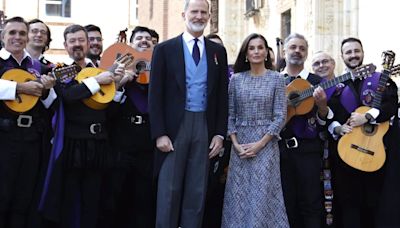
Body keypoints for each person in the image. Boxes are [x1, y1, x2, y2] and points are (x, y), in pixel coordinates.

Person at [148, 0, 229, 227]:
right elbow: (155, 95)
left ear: (209, 16)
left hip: (204, 125)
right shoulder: (164, 49)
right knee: (169, 190)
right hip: (175, 127)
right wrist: (160, 133)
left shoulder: (218, 52)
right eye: (194, 11)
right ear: (184, 14)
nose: (199, 16)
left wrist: (219, 134)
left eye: (204, 12)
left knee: (197, 190)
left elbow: (222, 96)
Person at [39, 24, 125, 228]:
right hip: (73, 145)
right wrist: (97, 81)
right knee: (70, 201)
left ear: (87, 43)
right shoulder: (60, 70)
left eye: (81, 40)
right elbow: (68, 97)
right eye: (72, 41)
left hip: (99, 145)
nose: (77, 45)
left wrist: (117, 89)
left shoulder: (100, 69)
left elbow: (108, 113)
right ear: (65, 45)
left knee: (94, 202)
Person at [328, 37, 399, 228]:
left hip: (375, 152)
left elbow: (391, 104)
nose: (353, 55)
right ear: (342, 56)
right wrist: (336, 126)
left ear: (363, 53)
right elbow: (328, 113)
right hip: (345, 151)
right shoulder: (335, 85)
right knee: (347, 203)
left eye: (356, 51)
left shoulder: (379, 80)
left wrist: (366, 117)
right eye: (348, 52)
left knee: (373, 203)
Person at [221, 33, 289, 227]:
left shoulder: (277, 78)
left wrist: (260, 144)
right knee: (239, 195)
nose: (256, 51)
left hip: (266, 144)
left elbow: (280, 116)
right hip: (240, 146)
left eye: (260, 47)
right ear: (246, 53)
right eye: (252, 48)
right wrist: (235, 144)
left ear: (267, 53)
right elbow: (230, 114)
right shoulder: (236, 79)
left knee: (263, 195)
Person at [0, 16, 56, 228]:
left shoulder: (36, 66)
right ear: (3, 36)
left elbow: (50, 104)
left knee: (24, 197)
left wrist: (47, 89)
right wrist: (18, 88)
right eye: (12, 33)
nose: (18, 37)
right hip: (4, 137)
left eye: (22, 33)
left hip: (31, 137)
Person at [279, 33, 332, 228]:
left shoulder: (316, 82)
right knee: (285, 204)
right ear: (284, 51)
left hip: (308, 150)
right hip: (279, 151)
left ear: (306, 53)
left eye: (302, 48)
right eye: (293, 47)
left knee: (311, 204)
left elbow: (323, 122)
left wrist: (323, 106)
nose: (297, 51)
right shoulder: (274, 80)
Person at [105, 25, 156, 228]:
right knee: (117, 195)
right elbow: (107, 112)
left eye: (148, 39)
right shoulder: (117, 70)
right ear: (130, 45)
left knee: (144, 198)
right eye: (139, 38)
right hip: (122, 141)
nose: (144, 40)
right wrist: (121, 83)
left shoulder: (159, 73)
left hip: (148, 141)